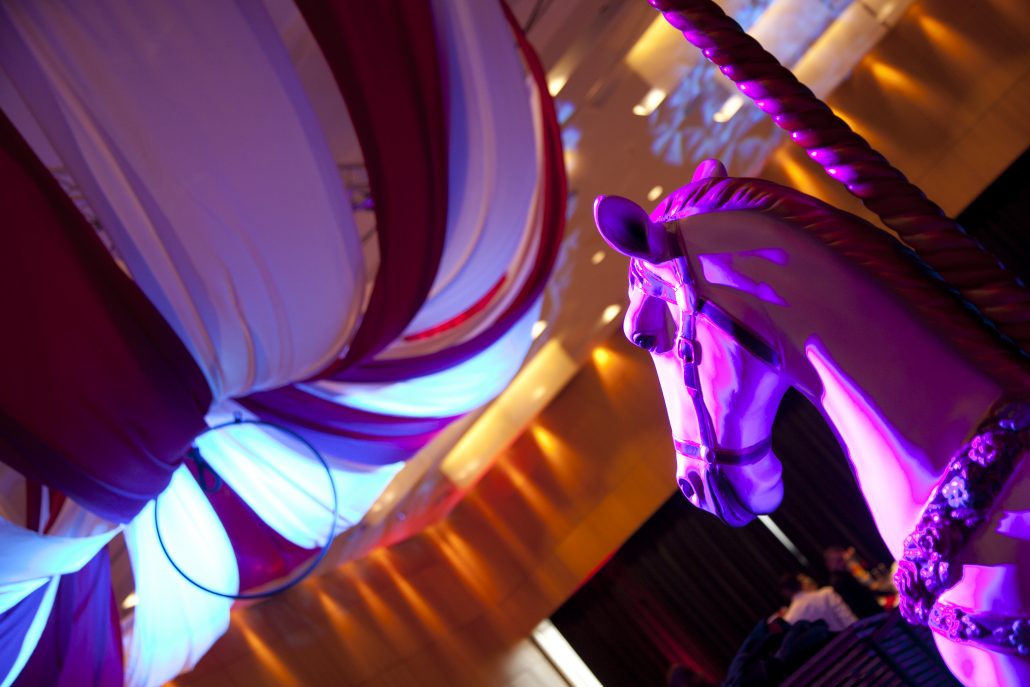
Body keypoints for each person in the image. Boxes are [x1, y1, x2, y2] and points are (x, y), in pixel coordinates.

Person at [778, 573, 857, 632]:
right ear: (800, 583)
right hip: (849, 642)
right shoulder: (826, 594)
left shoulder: (789, 618)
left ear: (785, 592)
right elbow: (848, 619)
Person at [823, 546, 886, 619]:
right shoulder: (838, 581)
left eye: (843, 559)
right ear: (829, 564)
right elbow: (859, 600)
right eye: (838, 561)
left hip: (872, 614)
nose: (843, 563)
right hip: (870, 616)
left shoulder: (843, 575)